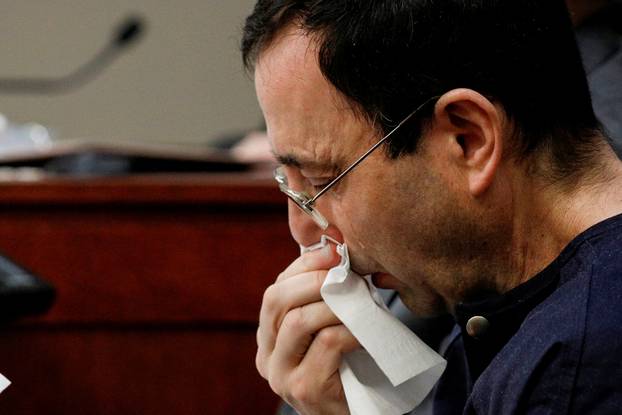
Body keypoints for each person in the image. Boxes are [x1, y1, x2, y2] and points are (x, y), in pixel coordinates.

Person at [241, 1, 622, 414]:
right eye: (288, 184)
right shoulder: (515, 308)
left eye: (320, 181)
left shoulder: (580, 367)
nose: (305, 230)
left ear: (468, 139)